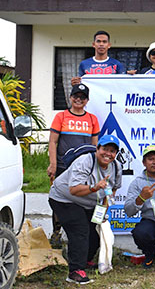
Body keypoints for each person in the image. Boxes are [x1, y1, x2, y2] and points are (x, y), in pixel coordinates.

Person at [48, 134, 122, 285]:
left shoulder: (116, 167)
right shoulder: (85, 161)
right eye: (105, 149)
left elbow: (112, 190)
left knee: (94, 232)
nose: (108, 154)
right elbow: (74, 190)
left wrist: (103, 210)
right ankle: (75, 271)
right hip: (63, 198)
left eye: (112, 151)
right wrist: (94, 187)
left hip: (89, 202)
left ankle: (85, 260)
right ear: (97, 149)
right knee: (80, 229)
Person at [47, 83, 100, 248]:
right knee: (59, 199)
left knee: (82, 199)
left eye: (82, 97)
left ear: (87, 100)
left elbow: (95, 146)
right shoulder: (61, 117)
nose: (78, 100)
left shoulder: (92, 119)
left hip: (84, 168)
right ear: (70, 98)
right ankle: (56, 232)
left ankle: (77, 236)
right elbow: (53, 141)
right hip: (64, 165)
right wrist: (53, 164)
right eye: (76, 96)